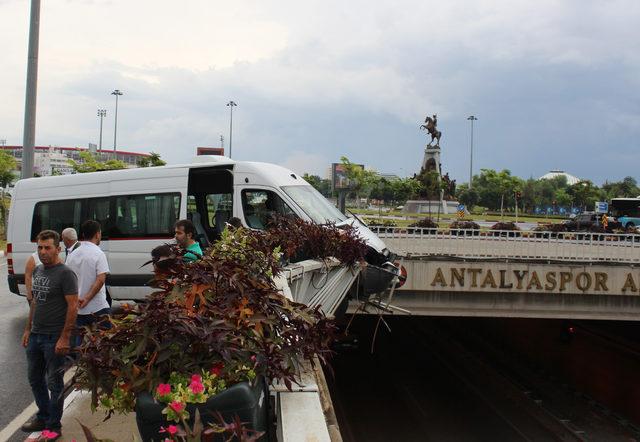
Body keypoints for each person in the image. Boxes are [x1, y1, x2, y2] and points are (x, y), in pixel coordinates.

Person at [21, 230, 78, 439]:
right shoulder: (37, 271)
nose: (43, 252)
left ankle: (54, 426)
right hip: (36, 335)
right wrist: (28, 328)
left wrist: (65, 337)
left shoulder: (65, 274)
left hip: (54, 337)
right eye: (40, 247)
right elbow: (34, 302)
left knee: (54, 383)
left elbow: (73, 307)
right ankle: (43, 416)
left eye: (47, 247)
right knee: (35, 378)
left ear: (58, 249)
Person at [65, 220, 111, 343]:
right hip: (98, 307)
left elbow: (67, 280)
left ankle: (80, 362)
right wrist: (88, 298)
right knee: (104, 342)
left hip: (78, 308)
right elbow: (101, 279)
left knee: (81, 344)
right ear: (97, 234)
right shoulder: (98, 253)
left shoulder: (72, 255)